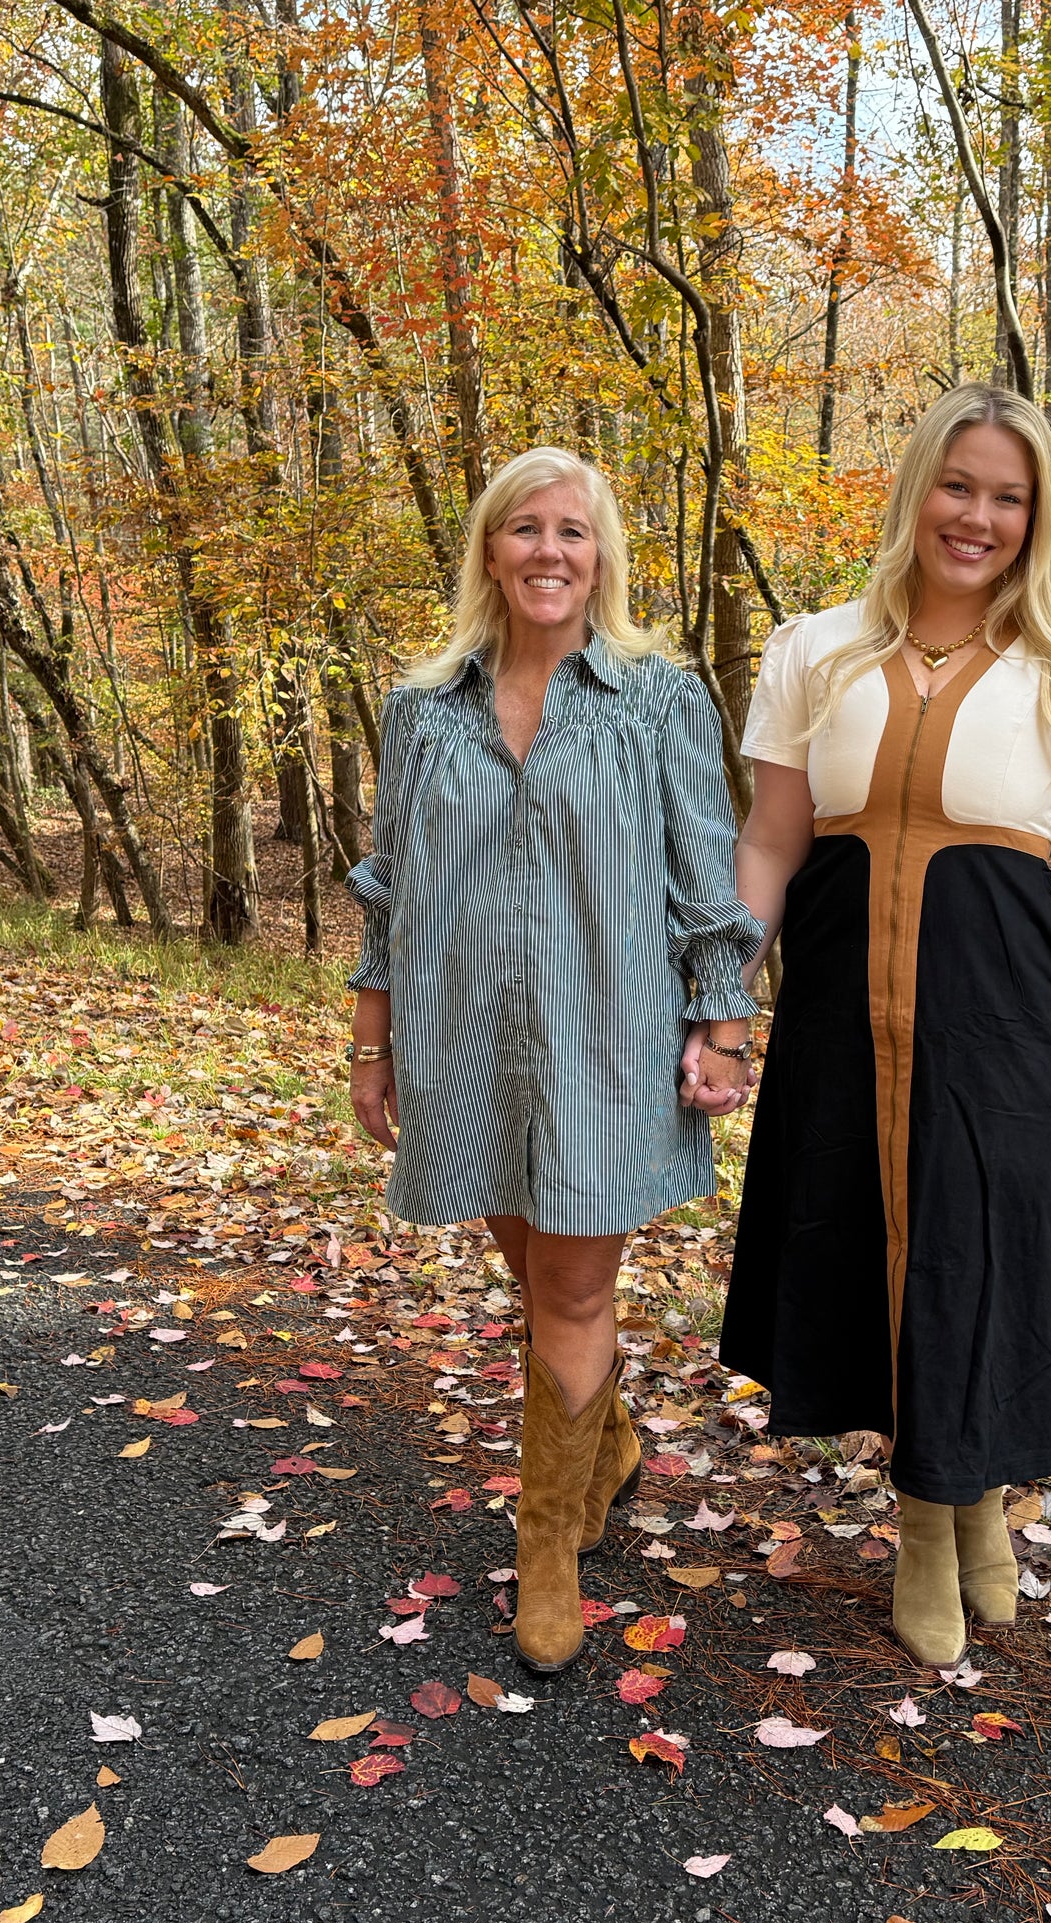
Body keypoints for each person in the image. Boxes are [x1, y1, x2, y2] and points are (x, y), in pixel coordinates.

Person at [714, 385, 1051, 1668]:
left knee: (975, 1257)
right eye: (957, 485)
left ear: (1036, 516)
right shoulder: (815, 649)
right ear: (916, 490)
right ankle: (931, 1524)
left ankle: (965, 1505)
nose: (977, 516)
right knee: (873, 1251)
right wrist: (725, 1000)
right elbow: (769, 841)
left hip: (1003, 1016)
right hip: (840, 1013)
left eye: (1007, 496)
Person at [345, 448, 762, 1674]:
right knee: (536, 1283)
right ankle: (609, 1442)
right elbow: (387, 893)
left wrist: (723, 1021)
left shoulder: (654, 699)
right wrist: (371, 1043)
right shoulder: (423, 709)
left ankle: (548, 1550)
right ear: (489, 549)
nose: (547, 552)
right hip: (459, 1040)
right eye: (524, 529)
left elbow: (705, 879)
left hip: (604, 1040)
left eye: (571, 532)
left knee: (574, 1293)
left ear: (601, 557)